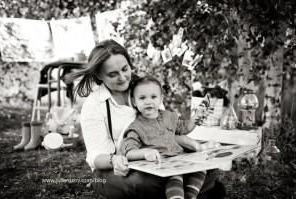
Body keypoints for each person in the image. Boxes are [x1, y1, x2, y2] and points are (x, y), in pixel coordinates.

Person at [65, 39, 224, 199]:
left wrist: (186, 141)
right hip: (112, 170)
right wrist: (115, 160)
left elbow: (161, 129)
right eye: (113, 74)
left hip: (155, 160)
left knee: (210, 167)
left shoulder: (144, 89)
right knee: (147, 182)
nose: (122, 77)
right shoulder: (94, 105)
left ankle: (182, 191)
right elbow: (96, 157)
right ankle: (196, 191)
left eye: (125, 69)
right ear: (99, 74)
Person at [120, 76, 220, 199]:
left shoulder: (169, 116)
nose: (148, 101)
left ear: (161, 99)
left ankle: (190, 196)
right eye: (142, 98)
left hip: (179, 157)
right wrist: (145, 153)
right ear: (134, 102)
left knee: (201, 169)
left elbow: (183, 128)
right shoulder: (136, 127)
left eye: (153, 97)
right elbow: (128, 152)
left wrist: (195, 118)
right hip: (163, 164)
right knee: (175, 178)